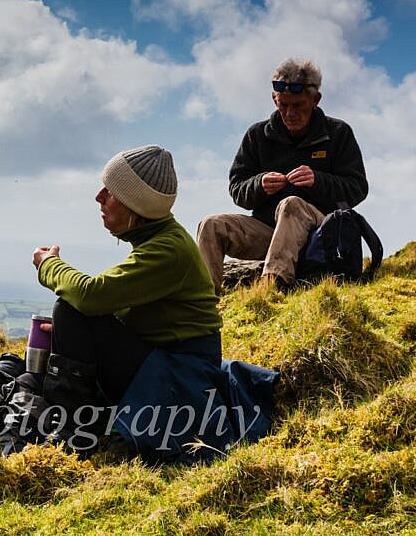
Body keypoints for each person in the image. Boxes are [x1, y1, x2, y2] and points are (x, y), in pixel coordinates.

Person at [31, 146, 275, 462]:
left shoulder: (168, 250)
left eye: (111, 192)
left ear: (136, 204)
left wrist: (49, 264)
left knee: (70, 307)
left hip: (177, 381)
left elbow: (92, 295)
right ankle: (81, 425)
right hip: (163, 365)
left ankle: (73, 437)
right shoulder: (158, 240)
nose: (99, 197)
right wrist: (73, 334)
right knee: (71, 316)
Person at [196, 59, 368, 292]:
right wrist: (259, 185)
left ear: (315, 100)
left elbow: (357, 188)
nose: (289, 113)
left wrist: (318, 181)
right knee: (211, 224)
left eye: (298, 106)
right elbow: (237, 187)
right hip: (268, 232)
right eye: (283, 105)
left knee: (291, 204)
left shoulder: (338, 133)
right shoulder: (257, 135)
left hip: (319, 234)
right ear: (274, 99)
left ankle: (273, 288)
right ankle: (203, 298)